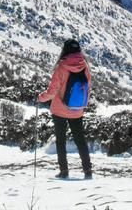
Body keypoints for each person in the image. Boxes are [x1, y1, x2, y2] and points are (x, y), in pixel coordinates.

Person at [37, 38, 92, 179]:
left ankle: (64, 171)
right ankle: (87, 171)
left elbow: (52, 91)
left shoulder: (62, 67)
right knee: (80, 139)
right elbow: (88, 87)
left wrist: (40, 97)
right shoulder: (85, 66)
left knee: (61, 141)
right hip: (77, 109)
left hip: (60, 110)